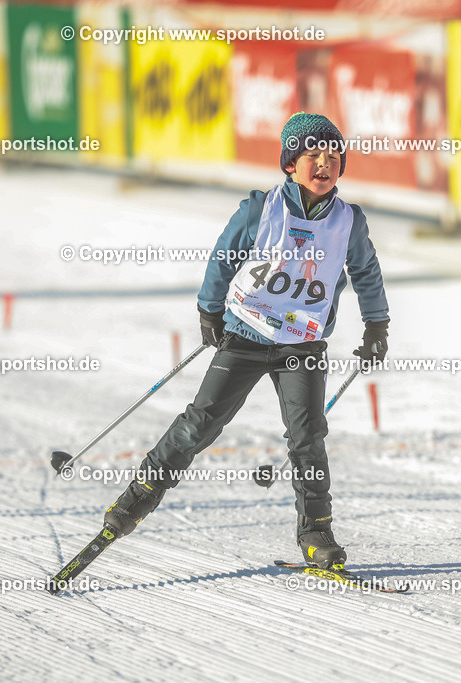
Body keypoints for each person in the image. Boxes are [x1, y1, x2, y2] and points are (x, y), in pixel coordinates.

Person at [102, 112, 390, 570]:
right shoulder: (260, 209)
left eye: (333, 155)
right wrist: (208, 310)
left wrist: (377, 326)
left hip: (303, 343)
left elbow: (366, 274)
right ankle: (137, 498)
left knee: (308, 438)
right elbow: (223, 258)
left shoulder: (348, 222)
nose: (324, 163)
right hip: (247, 331)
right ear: (290, 163)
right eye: (312, 154)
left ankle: (316, 532)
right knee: (200, 424)